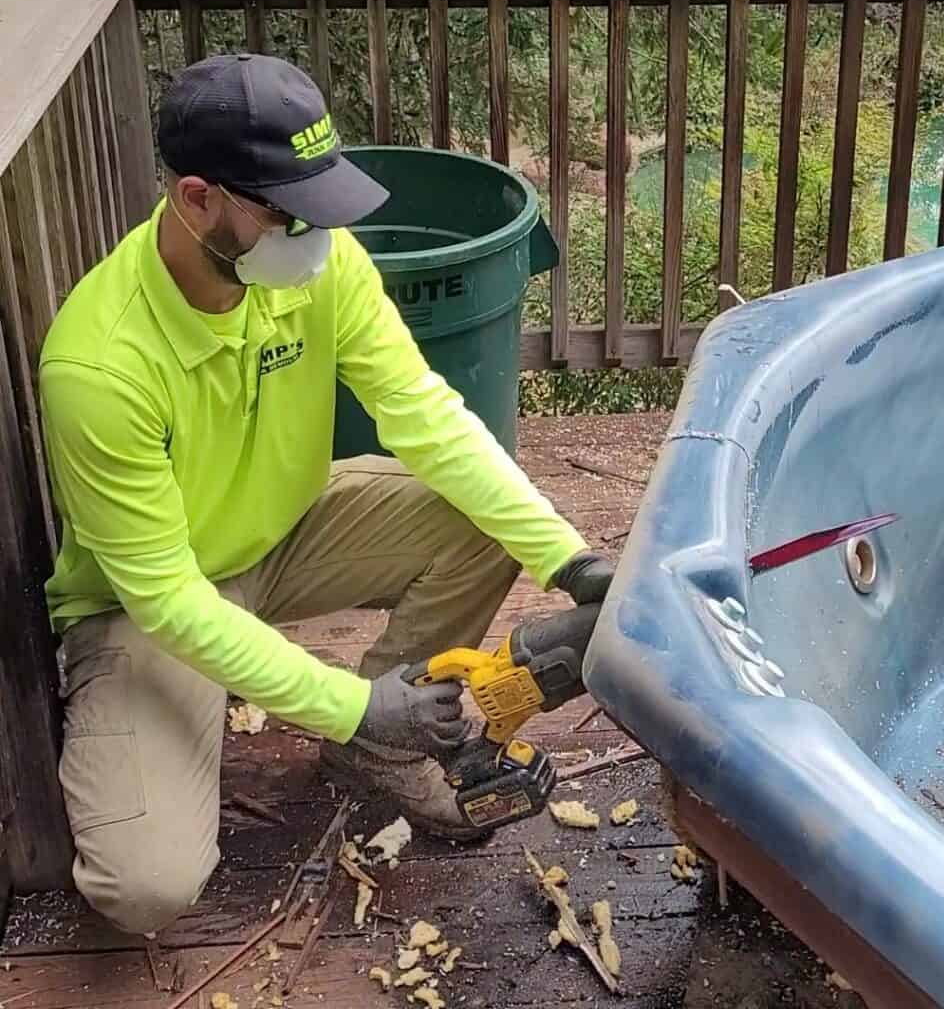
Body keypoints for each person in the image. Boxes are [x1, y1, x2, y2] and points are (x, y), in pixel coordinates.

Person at [38, 53, 613, 936]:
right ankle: (369, 721)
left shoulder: (318, 265)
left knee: (483, 516)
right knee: (146, 886)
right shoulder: (98, 366)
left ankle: (381, 750)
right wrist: (347, 700)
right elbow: (164, 594)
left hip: (290, 529)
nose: (317, 234)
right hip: (151, 602)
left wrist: (567, 558)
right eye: (288, 211)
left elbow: (426, 416)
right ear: (198, 199)